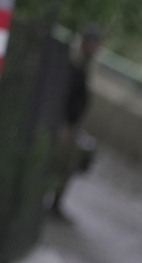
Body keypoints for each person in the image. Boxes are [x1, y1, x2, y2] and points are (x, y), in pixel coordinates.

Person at [48, 26, 99, 220]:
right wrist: (63, 122)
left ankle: (56, 202)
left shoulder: (86, 64)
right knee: (59, 161)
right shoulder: (73, 63)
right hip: (62, 121)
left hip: (71, 122)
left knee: (70, 163)